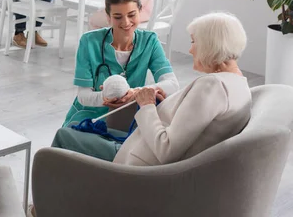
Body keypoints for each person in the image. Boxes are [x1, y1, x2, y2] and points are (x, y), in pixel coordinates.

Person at [53, 12, 251, 167]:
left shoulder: (212, 86)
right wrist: (163, 103)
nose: (191, 50)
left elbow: (166, 149)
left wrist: (147, 105)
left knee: (64, 135)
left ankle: (43, 208)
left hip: (139, 161)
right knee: (75, 130)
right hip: (144, 148)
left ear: (210, 45)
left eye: (193, 42)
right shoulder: (239, 84)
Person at [60, 0, 179, 131]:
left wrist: (136, 93)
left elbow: (172, 84)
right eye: (118, 17)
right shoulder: (89, 42)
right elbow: (83, 95)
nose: (126, 22)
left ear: (140, 11)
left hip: (128, 116)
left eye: (131, 15)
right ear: (108, 17)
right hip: (90, 115)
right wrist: (106, 97)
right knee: (70, 141)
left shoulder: (149, 41)